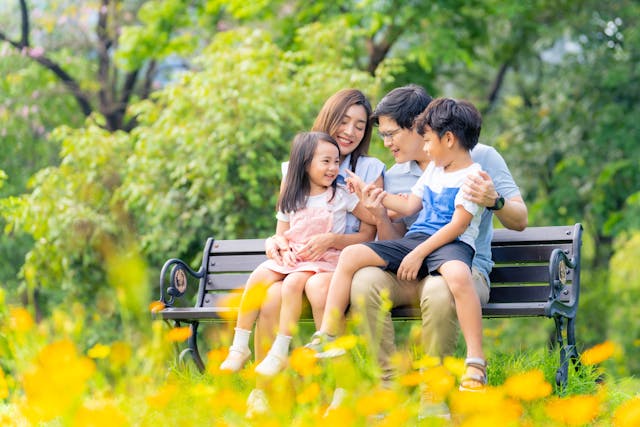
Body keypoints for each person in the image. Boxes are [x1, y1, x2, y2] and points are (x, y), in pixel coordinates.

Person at [348, 85, 527, 395]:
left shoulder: (479, 158)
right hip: (413, 266)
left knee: (439, 288)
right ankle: (387, 389)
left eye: (392, 134)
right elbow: (399, 241)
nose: (387, 143)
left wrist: (494, 201)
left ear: (421, 125)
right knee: (364, 281)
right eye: (384, 136)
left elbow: (520, 220)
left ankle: (434, 395)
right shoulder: (396, 174)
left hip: (464, 270)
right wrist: (379, 216)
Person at [309, 98, 490, 391]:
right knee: (353, 255)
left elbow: (458, 226)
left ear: (448, 139)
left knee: (458, 277)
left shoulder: (474, 176)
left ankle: (475, 360)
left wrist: (419, 253)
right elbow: (407, 207)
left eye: (428, 141)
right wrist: (368, 194)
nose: (426, 148)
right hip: (417, 238)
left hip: (452, 243)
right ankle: (330, 332)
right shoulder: (434, 170)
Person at [220, 131, 374, 374]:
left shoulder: (340, 196)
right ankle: (239, 346)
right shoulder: (292, 195)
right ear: (305, 163)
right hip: (294, 258)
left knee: (292, 284)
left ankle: (280, 349)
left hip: (323, 261)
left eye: (336, 161)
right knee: (258, 276)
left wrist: (362, 195)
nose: (333, 167)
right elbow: (281, 233)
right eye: (326, 161)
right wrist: (278, 245)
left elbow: (371, 224)